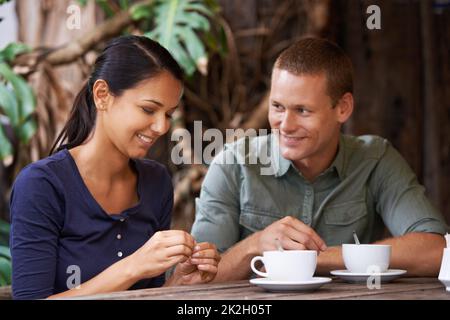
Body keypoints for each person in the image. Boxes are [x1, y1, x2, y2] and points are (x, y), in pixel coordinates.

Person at [191, 37, 448, 282]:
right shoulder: (233, 163)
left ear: (343, 108)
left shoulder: (376, 159)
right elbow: (194, 279)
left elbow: (436, 251)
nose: (286, 125)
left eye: (302, 111)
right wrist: (255, 246)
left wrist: (317, 258)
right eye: (278, 107)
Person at [10, 35, 220, 300]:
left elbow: (147, 296)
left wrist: (179, 281)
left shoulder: (157, 182)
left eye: (168, 114)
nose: (162, 127)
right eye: (148, 109)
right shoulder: (42, 185)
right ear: (102, 95)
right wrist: (133, 266)